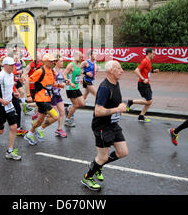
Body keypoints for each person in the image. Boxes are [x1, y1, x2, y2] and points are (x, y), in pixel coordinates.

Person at [81, 60, 129, 191]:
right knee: (103, 156)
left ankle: (97, 165)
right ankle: (87, 177)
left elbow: (113, 104)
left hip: (113, 124)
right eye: (118, 68)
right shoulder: (104, 88)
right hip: (101, 126)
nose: (122, 70)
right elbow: (98, 111)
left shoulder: (116, 83)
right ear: (110, 71)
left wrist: (123, 106)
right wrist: (117, 109)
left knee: (123, 152)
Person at [24, 53, 60, 145]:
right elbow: (28, 80)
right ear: (46, 61)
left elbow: (52, 84)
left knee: (39, 120)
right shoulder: (40, 71)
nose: (52, 63)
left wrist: (61, 85)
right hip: (41, 99)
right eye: (51, 61)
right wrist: (28, 95)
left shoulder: (52, 71)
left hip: (47, 98)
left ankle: (29, 134)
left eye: (53, 61)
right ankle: (40, 129)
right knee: (56, 116)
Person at [127, 48, 160, 123]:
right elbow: (136, 70)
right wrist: (143, 79)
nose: (154, 55)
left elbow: (146, 71)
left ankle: (141, 116)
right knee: (149, 101)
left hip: (146, 84)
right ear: (149, 53)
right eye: (153, 54)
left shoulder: (148, 61)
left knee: (149, 101)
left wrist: (153, 71)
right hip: (143, 84)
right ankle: (131, 102)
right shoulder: (145, 61)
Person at [63, 51, 86, 127]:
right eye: (80, 57)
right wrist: (69, 82)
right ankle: (67, 120)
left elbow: (76, 75)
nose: (81, 58)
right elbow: (64, 74)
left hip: (76, 87)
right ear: (75, 56)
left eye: (82, 57)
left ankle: (69, 109)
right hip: (70, 87)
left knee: (82, 104)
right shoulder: (70, 65)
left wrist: (80, 80)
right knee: (76, 105)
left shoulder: (78, 65)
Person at [52, 54, 67, 138]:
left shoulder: (61, 71)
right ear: (56, 62)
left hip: (57, 94)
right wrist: (60, 85)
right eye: (61, 61)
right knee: (52, 116)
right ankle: (37, 124)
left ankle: (59, 129)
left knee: (62, 112)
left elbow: (63, 80)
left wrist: (67, 82)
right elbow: (51, 84)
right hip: (52, 95)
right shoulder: (54, 71)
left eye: (63, 61)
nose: (62, 63)